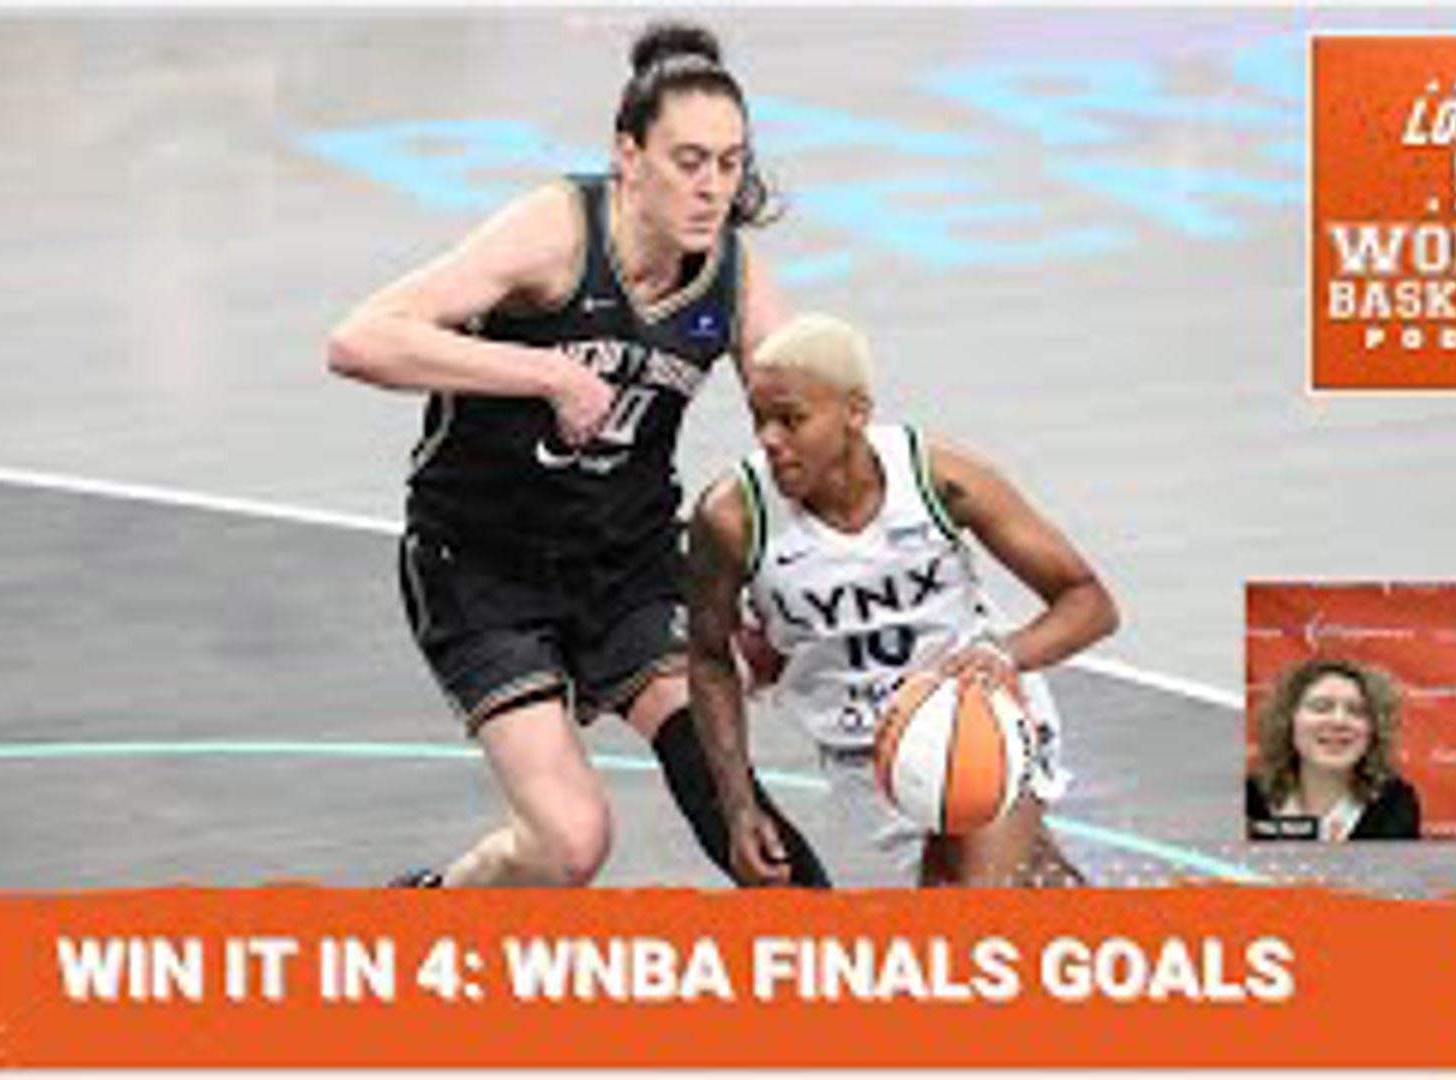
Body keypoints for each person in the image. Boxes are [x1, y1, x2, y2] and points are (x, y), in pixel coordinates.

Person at [326, 21, 829, 887]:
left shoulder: (734, 279)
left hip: (627, 565)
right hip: (482, 566)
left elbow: (810, 435)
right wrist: (541, 372)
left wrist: (783, 591)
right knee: (570, 842)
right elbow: (359, 340)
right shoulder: (556, 231)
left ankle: (844, 977)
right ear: (628, 155)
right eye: (689, 160)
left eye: (730, 162)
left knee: (726, 785)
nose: (712, 188)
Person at [686, 313, 1119, 887]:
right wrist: (739, 809)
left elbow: (1089, 602)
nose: (769, 440)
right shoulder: (732, 517)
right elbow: (708, 657)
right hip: (866, 754)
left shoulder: (939, 479)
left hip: (977, 709)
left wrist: (1004, 653)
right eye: (759, 420)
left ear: (855, 413)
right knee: (1025, 888)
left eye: (790, 420)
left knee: (976, 912)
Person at [1245, 657, 1421, 841]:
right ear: (1288, 720)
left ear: (1373, 730)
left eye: (1356, 711)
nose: (1339, 721)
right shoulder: (1248, 799)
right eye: (1321, 707)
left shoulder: (1395, 803)